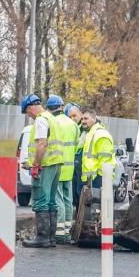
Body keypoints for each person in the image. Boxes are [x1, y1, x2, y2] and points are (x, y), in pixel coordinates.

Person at [20, 94, 62, 248]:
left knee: (41, 201)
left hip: (44, 166)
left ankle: (42, 237)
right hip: (56, 164)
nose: (29, 116)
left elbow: (42, 144)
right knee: (51, 201)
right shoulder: (52, 118)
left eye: (28, 112)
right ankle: (51, 238)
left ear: (31, 107)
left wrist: (35, 164)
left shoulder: (41, 120)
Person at [53, 98, 80, 244]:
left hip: (57, 166)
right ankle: (68, 231)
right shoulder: (73, 124)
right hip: (70, 167)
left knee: (59, 200)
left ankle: (59, 233)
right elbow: (76, 145)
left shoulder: (53, 123)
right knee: (68, 200)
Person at [78, 108, 116, 198]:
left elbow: (106, 162)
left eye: (86, 118)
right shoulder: (90, 134)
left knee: (98, 209)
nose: (83, 121)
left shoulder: (101, 135)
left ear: (94, 119)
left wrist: (99, 181)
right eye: (82, 119)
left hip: (98, 180)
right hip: (90, 179)